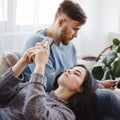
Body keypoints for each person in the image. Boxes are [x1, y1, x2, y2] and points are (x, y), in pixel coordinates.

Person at [0, 44, 101, 120]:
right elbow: (2, 91)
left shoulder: (66, 114)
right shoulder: (36, 88)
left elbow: (34, 115)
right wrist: (23, 61)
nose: (69, 70)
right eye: (71, 68)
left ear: (81, 88)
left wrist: (40, 66)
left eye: (76, 73)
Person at [21, 0, 87, 91]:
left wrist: (98, 84)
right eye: (74, 29)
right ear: (60, 22)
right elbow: (48, 84)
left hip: (66, 95)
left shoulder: (70, 47)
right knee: (107, 97)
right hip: (43, 98)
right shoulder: (38, 42)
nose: (76, 35)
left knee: (105, 93)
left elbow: (79, 74)